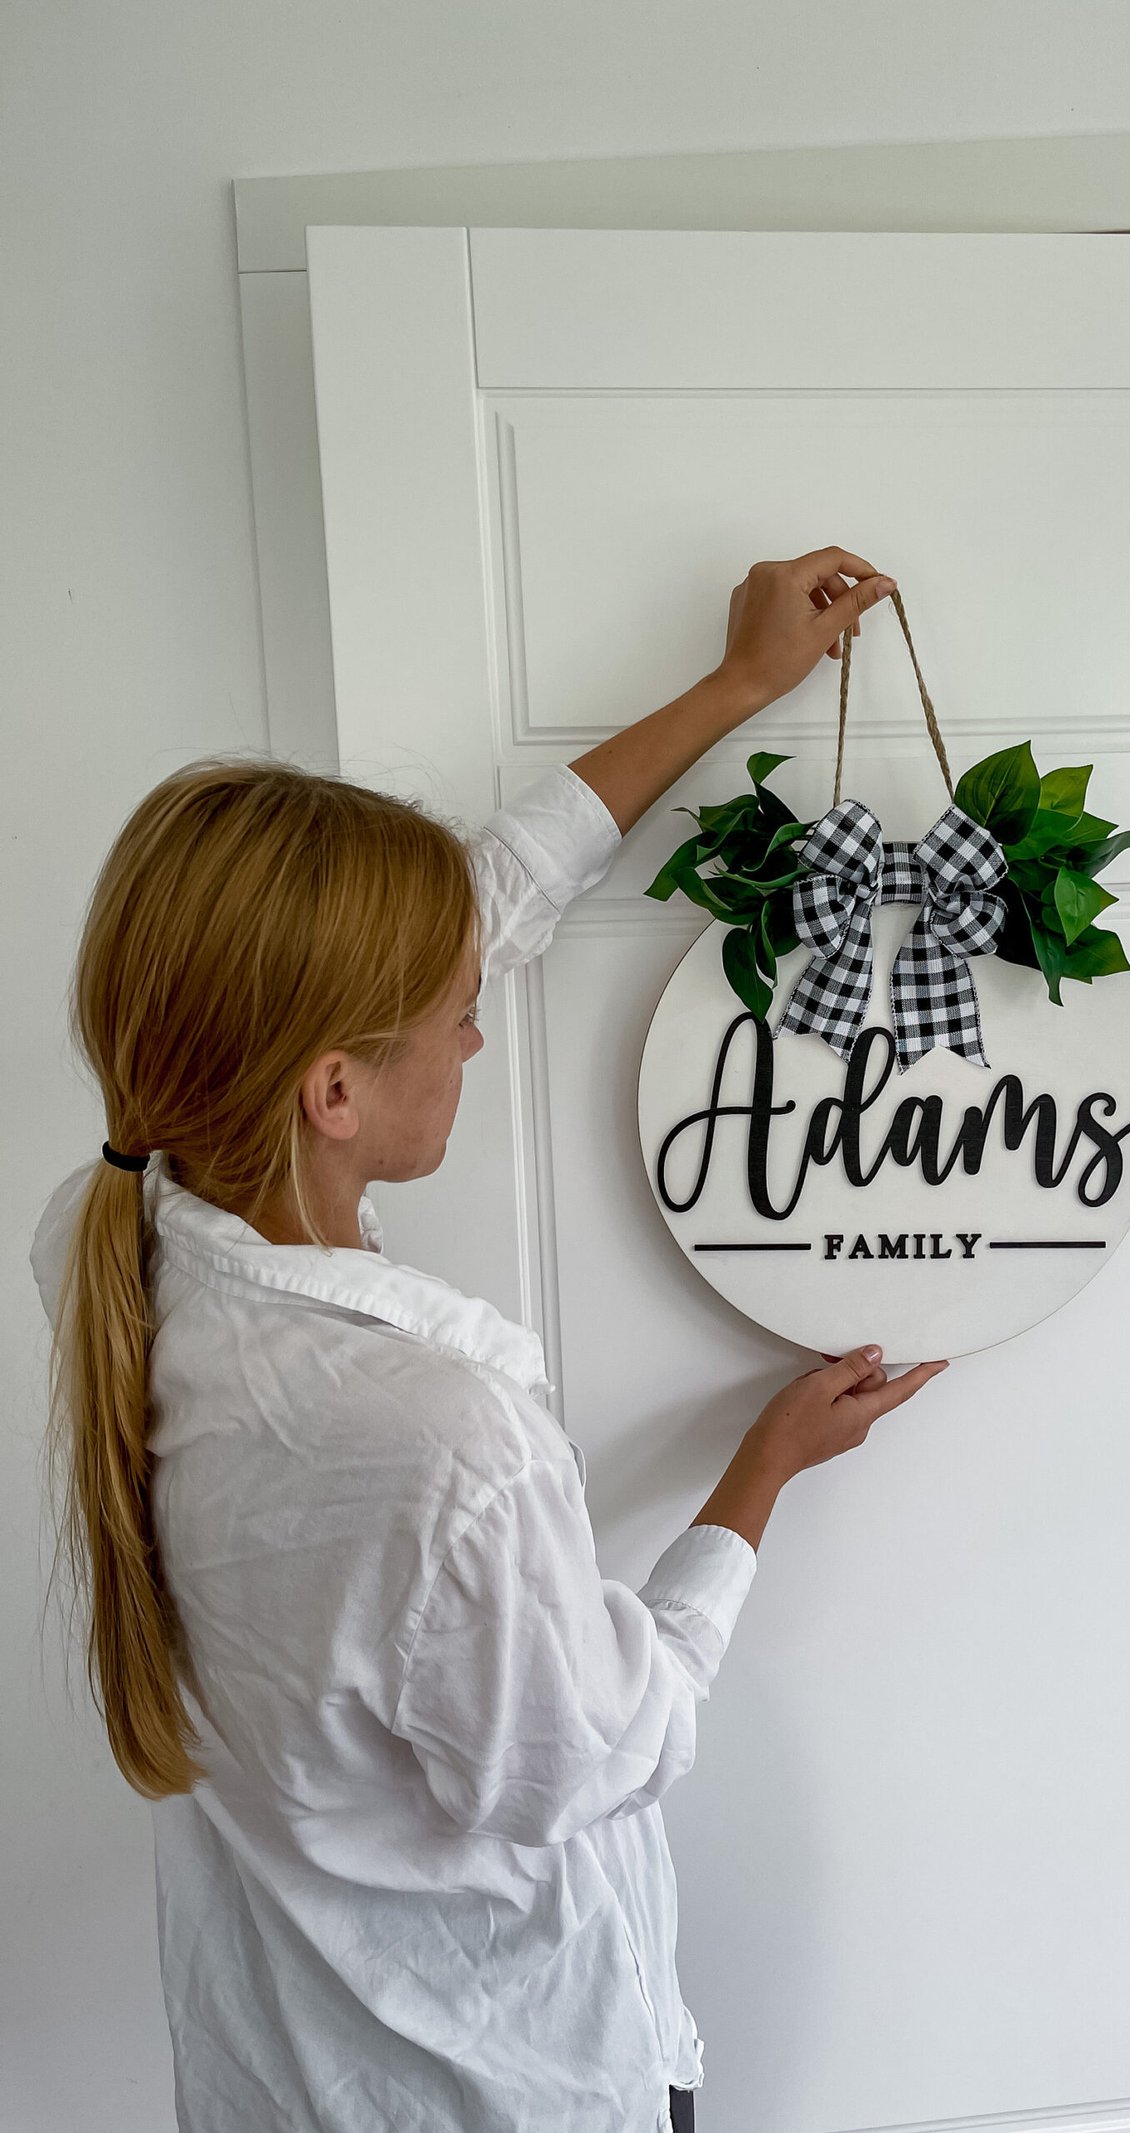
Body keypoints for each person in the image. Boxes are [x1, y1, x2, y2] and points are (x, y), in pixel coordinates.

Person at [29, 549, 950, 2133]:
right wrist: (760, 1475)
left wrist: (738, 686)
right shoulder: (435, 1429)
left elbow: (480, 900)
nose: (477, 1025)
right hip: (498, 2087)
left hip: (289, 2074)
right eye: (458, 1008)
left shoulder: (108, 1227)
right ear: (332, 1087)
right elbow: (601, 1753)